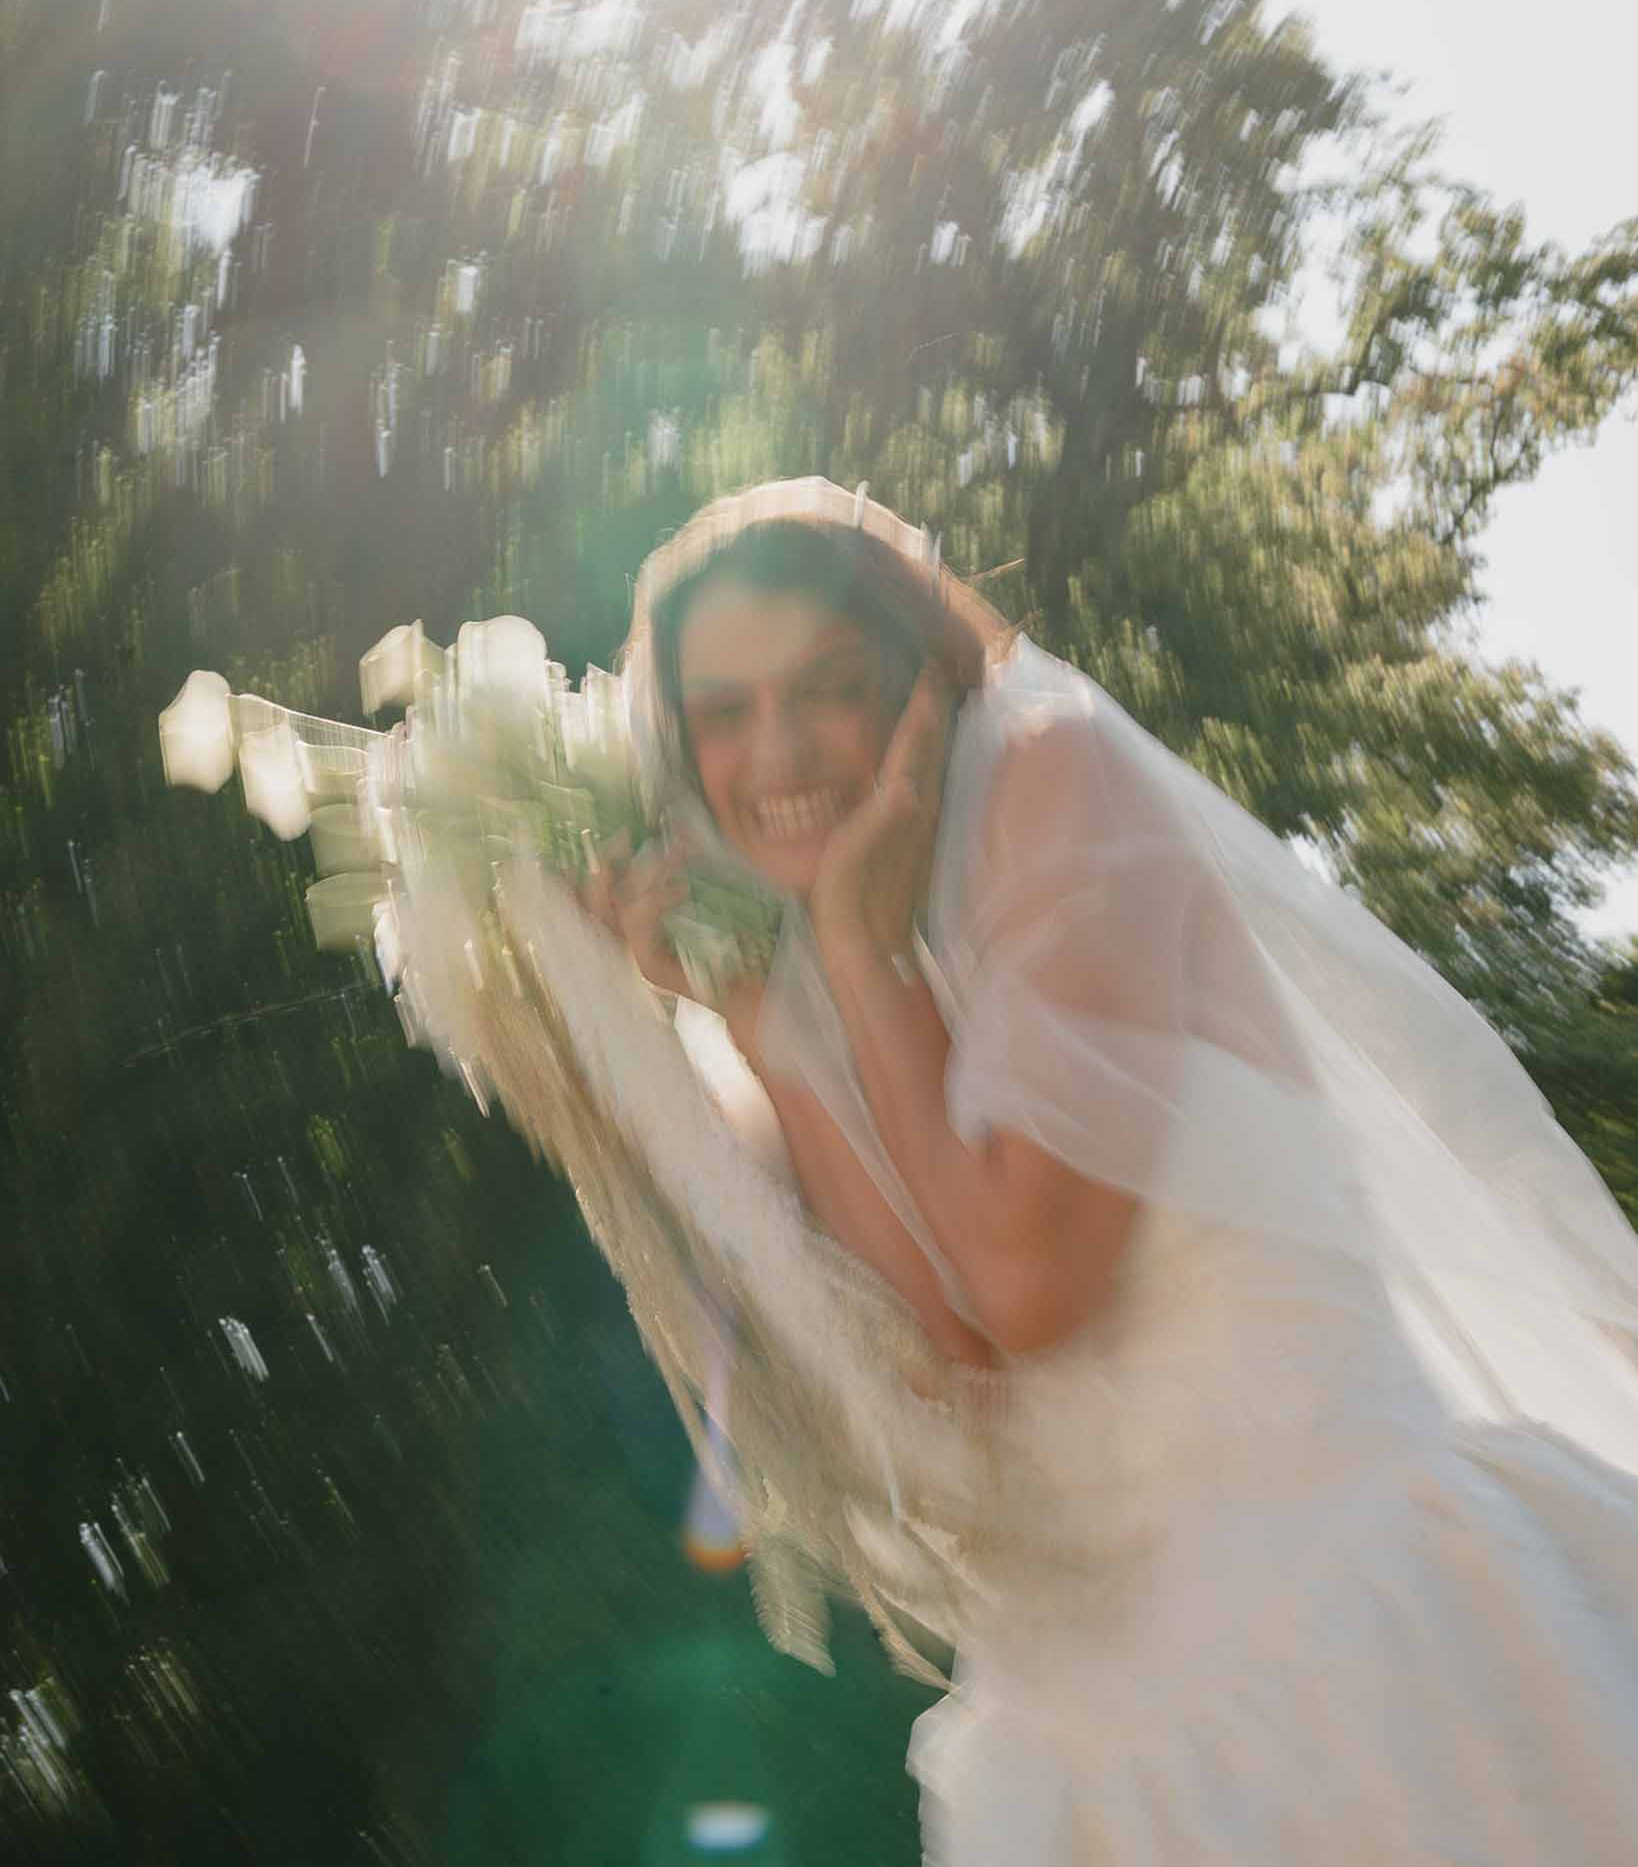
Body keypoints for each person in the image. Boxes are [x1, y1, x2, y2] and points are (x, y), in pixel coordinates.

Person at [165, 475, 1638, 1863]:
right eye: (723, 714)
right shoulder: (804, 954)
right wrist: (760, 1018)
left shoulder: (1056, 781)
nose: (778, 755)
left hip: (1347, 1642)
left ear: (920, 680)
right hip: (1098, 1758)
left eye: (826, 689)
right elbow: (943, 1347)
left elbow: (1029, 1281)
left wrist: (862, 961)